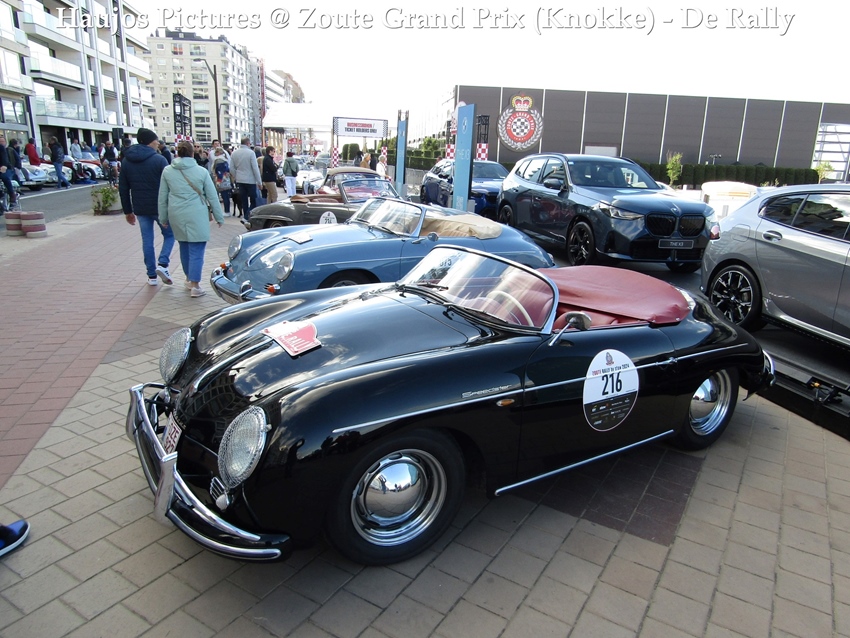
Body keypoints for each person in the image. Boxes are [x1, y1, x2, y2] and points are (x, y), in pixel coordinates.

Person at [158, 140, 224, 297]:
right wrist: (219, 216)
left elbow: (162, 197)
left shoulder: (168, 171)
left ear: (177, 153)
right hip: (196, 213)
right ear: (192, 153)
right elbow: (212, 196)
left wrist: (163, 217)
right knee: (197, 248)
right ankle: (195, 285)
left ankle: (188, 278)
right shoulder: (201, 171)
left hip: (176, 213)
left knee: (184, 245)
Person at [119, 128, 175, 286]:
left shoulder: (127, 161)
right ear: (151, 142)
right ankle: (163, 264)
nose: (158, 143)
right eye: (156, 140)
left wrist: (128, 211)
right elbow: (170, 185)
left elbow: (123, 188)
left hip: (140, 207)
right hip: (160, 207)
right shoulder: (159, 160)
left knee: (147, 240)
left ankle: (151, 275)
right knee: (170, 235)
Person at [230, 136, 262, 223]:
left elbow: (231, 168)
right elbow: (255, 168)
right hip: (250, 180)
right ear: (248, 143)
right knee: (254, 199)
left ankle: (245, 216)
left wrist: (236, 176)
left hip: (240, 179)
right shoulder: (251, 153)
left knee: (244, 200)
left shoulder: (234, 153)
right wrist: (259, 181)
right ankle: (247, 216)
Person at [211, 147, 233, 215]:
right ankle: (227, 210)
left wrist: (218, 181)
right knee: (226, 196)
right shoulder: (225, 160)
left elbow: (219, 172)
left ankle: (227, 211)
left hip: (221, 180)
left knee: (224, 196)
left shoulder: (218, 160)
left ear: (218, 152)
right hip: (226, 179)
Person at [0, 136, 20, 210]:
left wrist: (4, 166)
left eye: (2, 141)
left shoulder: (7, 149)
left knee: (4, 177)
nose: (1, 143)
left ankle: (12, 195)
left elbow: (4, 158)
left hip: (7, 168)